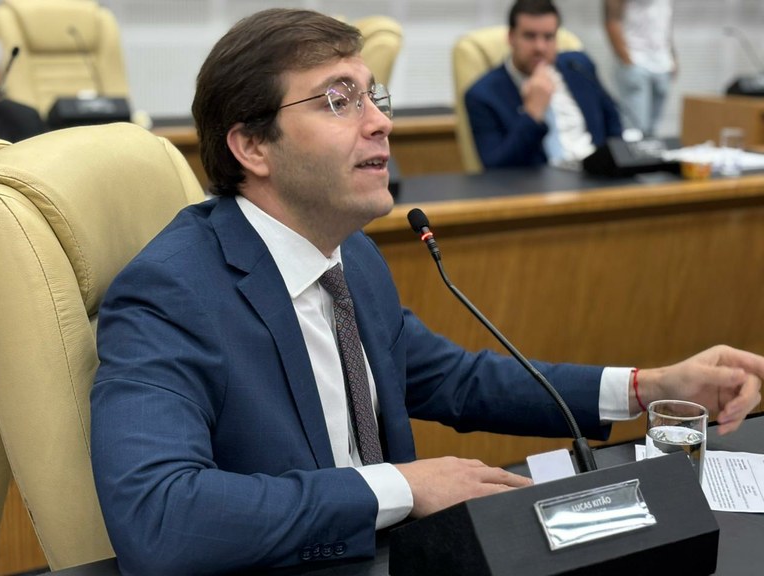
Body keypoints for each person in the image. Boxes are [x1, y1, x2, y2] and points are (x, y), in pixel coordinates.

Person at [90, 8, 762, 575]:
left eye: (372, 96)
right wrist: (401, 486)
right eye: (338, 100)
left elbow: (455, 380)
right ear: (252, 147)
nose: (380, 122)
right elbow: (158, 517)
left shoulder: (351, 255)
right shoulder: (170, 293)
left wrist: (647, 386)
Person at [465, 0, 622, 169]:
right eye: (529, 36)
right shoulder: (483, 94)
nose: (540, 47)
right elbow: (495, 168)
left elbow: (613, 124)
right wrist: (532, 114)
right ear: (511, 37)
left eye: (548, 37)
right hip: (540, 182)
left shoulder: (578, 66)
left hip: (596, 174)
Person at [604, 0, 676, 138]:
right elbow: (611, 18)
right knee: (635, 130)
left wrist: (673, 56)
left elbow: (665, 20)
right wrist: (627, 59)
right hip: (636, 60)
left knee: (653, 131)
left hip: (663, 63)